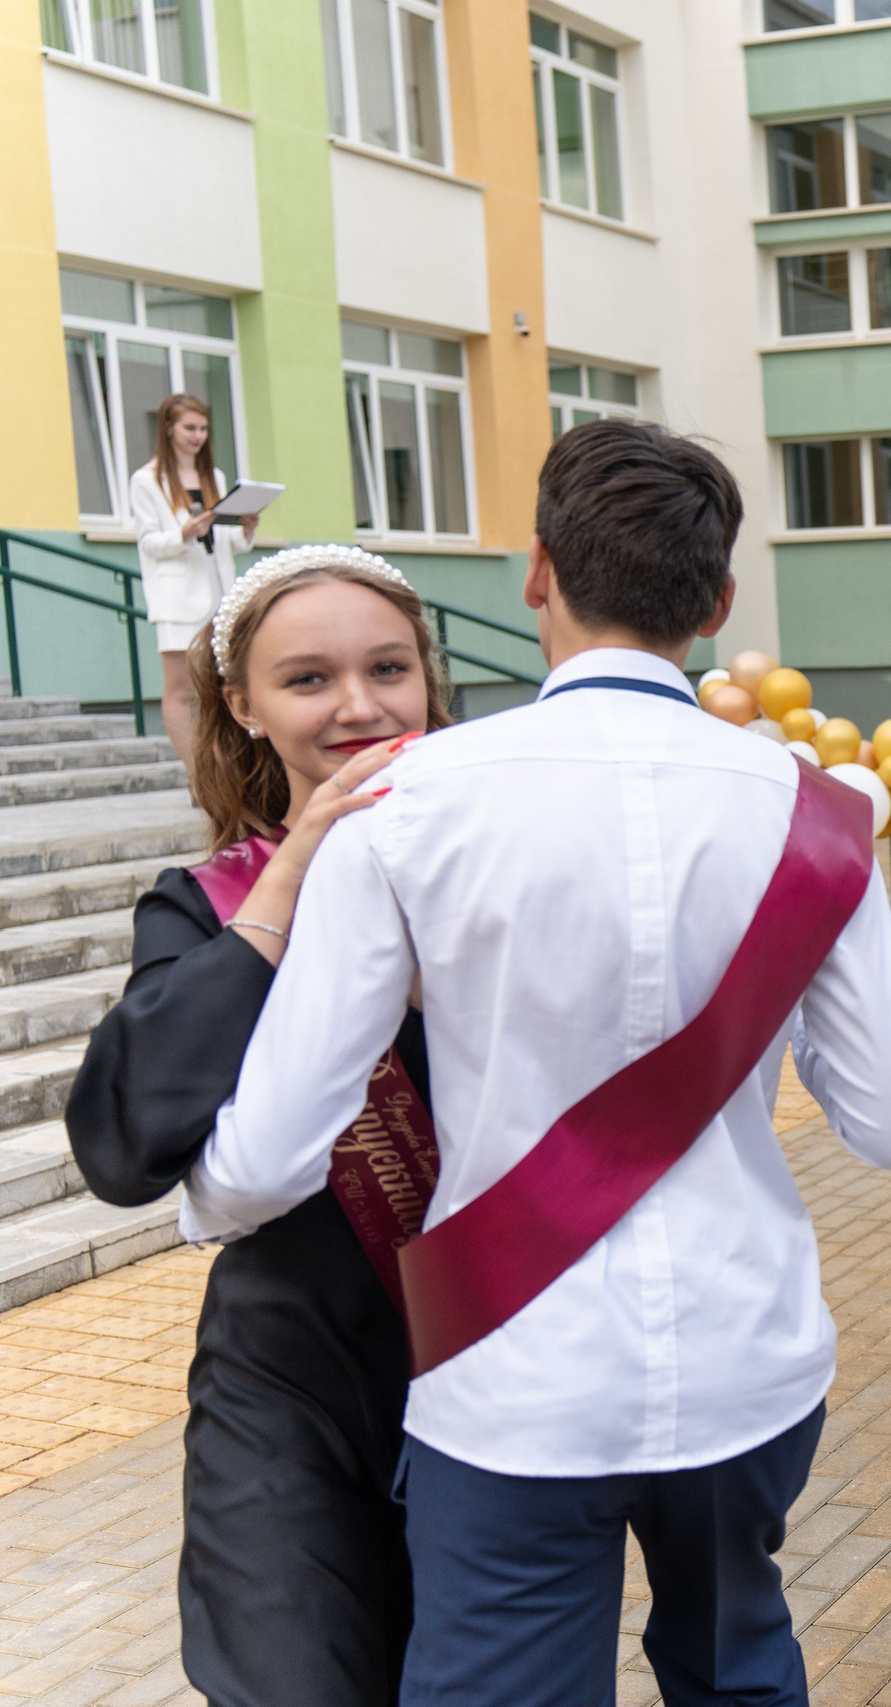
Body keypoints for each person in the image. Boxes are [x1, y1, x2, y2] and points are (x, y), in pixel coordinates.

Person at [183, 420, 891, 1706]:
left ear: (535, 571)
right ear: (717, 600)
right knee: (738, 1668)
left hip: (507, 1371)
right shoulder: (814, 810)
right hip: (743, 1355)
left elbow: (263, 1160)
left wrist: (201, 1192)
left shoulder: (402, 806)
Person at [66, 545, 442, 1707]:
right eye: (308, 680)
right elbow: (125, 1145)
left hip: (482, 1372)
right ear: (241, 703)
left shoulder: (498, 870)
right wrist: (295, 876)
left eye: (387, 668)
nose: (359, 706)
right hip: (287, 1383)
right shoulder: (208, 903)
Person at [130, 393, 256, 756]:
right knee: (182, 690)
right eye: (190, 427)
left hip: (220, 593)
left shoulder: (212, 475)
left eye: (203, 428)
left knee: (224, 684)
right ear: (169, 429)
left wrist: (246, 528)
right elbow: (149, 543)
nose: (198, 436)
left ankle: (226, 768)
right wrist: (185, 533)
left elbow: (226, 540)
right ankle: (197, 774)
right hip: (177, 597)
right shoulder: (147, 480)